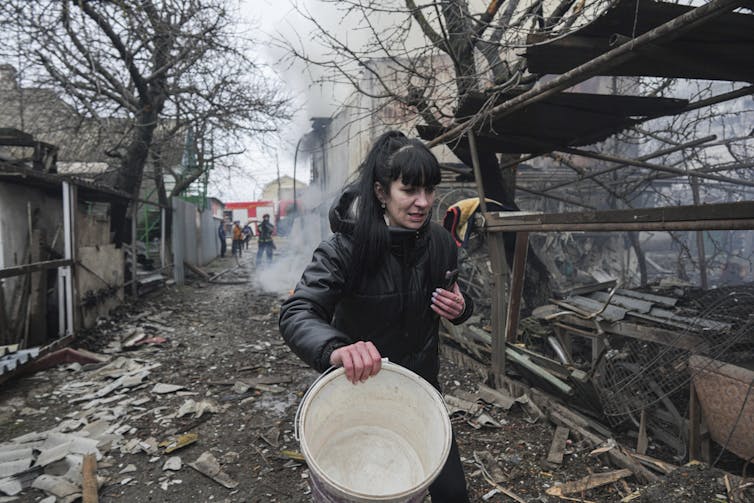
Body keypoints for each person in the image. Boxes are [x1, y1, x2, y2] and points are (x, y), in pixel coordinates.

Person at [279, 130, 473, 502]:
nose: (423, 202)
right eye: (410, 190)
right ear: (382, 192)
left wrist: (462, 309)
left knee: (452, 493)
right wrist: (338, 349)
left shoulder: (441, 244)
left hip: (421, 395)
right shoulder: (344, 249)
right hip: (358, 394)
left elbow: (459, 300)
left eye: (429, 190)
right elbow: (297, 312)